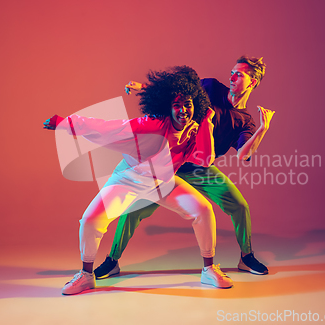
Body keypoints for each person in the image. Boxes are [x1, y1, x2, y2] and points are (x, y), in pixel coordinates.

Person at [44, 66, 233, 295]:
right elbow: (110, 128)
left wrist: (206, 123)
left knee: (203, 209)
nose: (183, 110)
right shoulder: (152, 125)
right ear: (168, 107)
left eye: (188, 105)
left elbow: (205, 159)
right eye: (177, 105)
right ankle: (85, 276)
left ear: (197, 105)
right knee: (90, 220)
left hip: (163, 182)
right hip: (129, 179)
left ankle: (209, 269)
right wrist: (67, 123)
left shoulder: (195, 128)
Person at [95, 56, 275, 280]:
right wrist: (145, 88)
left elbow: (244, 154)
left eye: (239, 74)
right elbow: (176, 93)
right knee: (134, 209)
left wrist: (263, 129)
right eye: (232, 71)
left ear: (253, 83)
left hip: (200, 168)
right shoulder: (209, 88)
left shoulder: (245, 121)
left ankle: (246, 257)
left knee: (239, 205)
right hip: (170, 162)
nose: (232, 76)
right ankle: (112, 261)